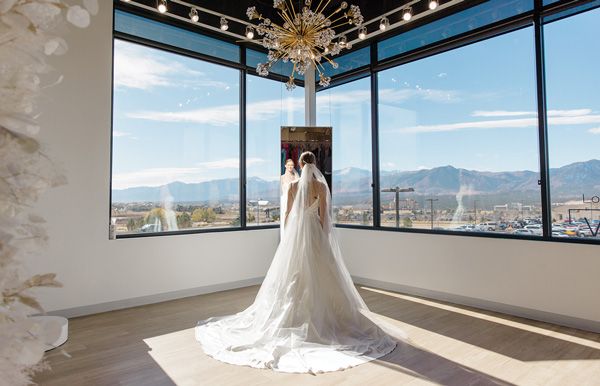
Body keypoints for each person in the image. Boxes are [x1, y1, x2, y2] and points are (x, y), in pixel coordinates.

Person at [195, 151, 399, 374]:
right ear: (315, 165)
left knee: (293, 272)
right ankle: (324, 314)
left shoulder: (292, 187)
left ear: (301, 165)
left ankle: (294, 313)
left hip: (297, 233)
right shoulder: (320, 187)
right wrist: (322, 237)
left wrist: (289, 237)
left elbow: (289, 215)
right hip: (314, 233)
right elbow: (324, 218)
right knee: (322, 272)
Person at [279, 159, 299, 238]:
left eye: (292, 165)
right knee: (285, 217)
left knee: (294, 219)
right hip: (284, 201)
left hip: (294, 201)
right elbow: (280, 190)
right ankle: (284, 238)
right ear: (285, 166)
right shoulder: (282, 178)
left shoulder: (296, 177)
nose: (290, 167)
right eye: (289, 165)